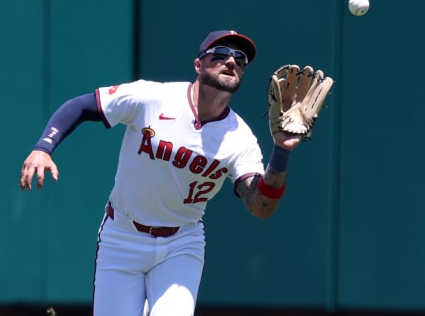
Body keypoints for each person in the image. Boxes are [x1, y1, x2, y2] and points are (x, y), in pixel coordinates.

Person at [19, 30, 305, 316]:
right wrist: (43, 147)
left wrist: (281, 150)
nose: (230, 62)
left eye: (239, 59)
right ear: (198, 65)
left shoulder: (239, 138)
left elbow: (260, 205)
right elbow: (81, 106)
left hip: (181, 242)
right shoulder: (153, 97)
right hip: (122, 236)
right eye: (220, 55)